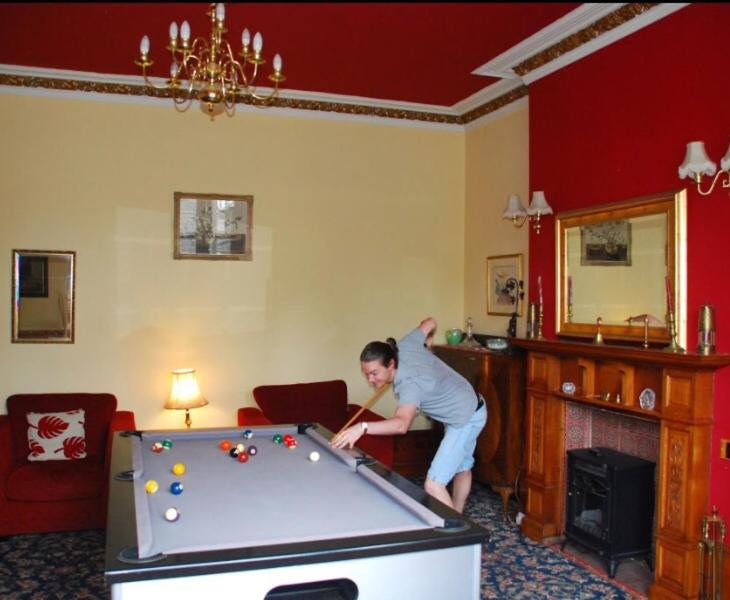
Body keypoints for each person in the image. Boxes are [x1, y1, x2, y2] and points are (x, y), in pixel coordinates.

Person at [331, 317, 487, 513]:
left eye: (374, 373)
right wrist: (428, 345)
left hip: (465, 417)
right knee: (462, 468)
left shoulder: (409, 384)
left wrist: (362, 427)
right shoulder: (404, 344)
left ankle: (459, 536)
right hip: (469, 404)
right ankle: (459, 515)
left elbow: (401, 424)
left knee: (433, 484)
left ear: (391, 364)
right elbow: (430, 322)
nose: (370, 380)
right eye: (366, 374)